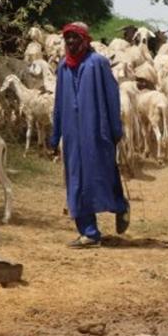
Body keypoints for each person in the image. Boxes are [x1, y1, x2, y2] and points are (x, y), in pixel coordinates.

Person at [49, 22, 129, 248]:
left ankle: (121, 206)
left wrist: (115, 130)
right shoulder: (64, 66)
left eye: (76, 38)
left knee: (103, 174)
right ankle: (89, 233)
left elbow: (112, 98)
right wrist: (55, 137)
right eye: (68, 39)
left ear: (86, 40)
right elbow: (58, 103)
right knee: (76, 181)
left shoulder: (98, 64)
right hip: (73, 135)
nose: (71, 42)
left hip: (97, 131)